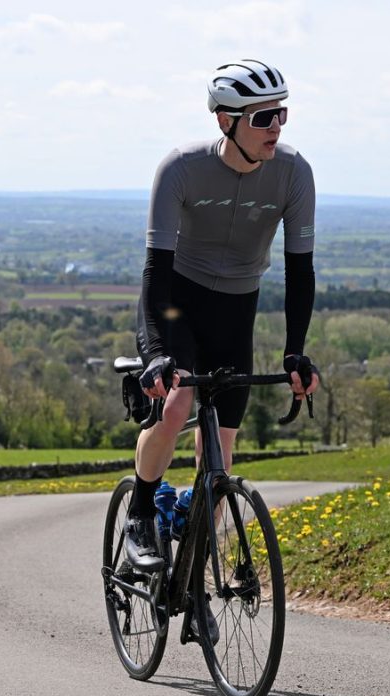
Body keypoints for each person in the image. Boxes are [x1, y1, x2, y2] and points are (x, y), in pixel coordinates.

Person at [125, 59, 320, 570]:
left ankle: (189, 572)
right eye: (262, 118)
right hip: (177, 304)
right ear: (225, 121)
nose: (275, 127)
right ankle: (141, 513)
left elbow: (300, 273)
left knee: (221, 457)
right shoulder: (182, 168)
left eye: (281, 114)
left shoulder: (294, 174)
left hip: (238, 310)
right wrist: (156, 352)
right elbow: (155, 271)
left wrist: (295, 351)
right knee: (177, 403)